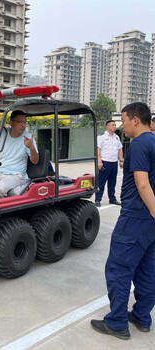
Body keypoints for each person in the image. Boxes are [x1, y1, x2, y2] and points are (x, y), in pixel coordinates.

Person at [91, 102, 155, 340]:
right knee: (148, 270)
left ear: (135, 120)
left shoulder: (138, 144)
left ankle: (117, 323)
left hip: (136, 218)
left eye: (124, 120)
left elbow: (143, 183)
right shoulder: (154, 141)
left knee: (118, 269)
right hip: (149, 223)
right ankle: (141, 317)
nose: (121, 126)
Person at [95, 120, 123, 207]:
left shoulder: (116, 137)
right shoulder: (101, 137)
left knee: (112, 182)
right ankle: (98, 199)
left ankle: (112, 199)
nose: (114, 127)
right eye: (112, 125)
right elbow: (98, 149)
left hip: (114, 162)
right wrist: (99, 161)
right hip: (105, 162)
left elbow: (120, 149)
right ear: (107, 126)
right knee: (101, 182)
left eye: (115, 125)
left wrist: (121, 160)